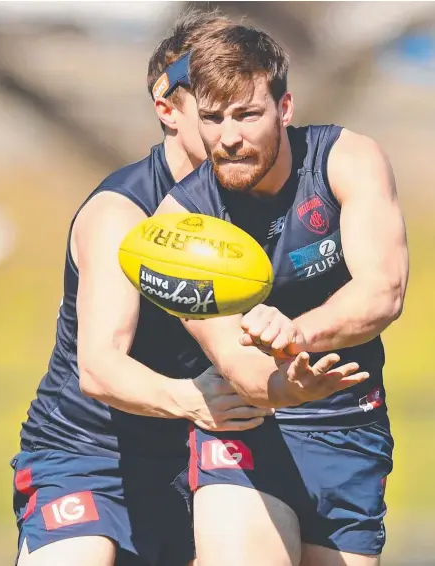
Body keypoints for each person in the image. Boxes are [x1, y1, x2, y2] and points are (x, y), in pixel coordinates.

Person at [10, 11, 364, 566]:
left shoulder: (258, 195)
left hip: (210, 444)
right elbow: (100, 367)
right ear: (170, 110)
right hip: (92, 456)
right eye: (209, 105)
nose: (232, 129)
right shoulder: (123, 214)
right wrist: (190, 401)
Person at [153, 23, 409, 566]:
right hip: (249, 430)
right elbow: (235, 361)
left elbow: (383, 291)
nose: (228, 137)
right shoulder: (178, 224)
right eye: (213, 118)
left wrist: (298, 334)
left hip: (349, 431)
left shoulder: (345, 160)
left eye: (247, 115)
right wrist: (282, 384)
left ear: (284, 108)